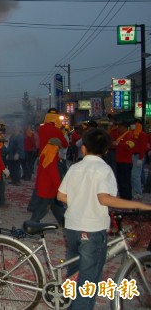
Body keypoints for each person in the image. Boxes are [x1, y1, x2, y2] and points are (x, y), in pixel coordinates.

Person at [57, 128, 151, 310]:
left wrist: (81, 200)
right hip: (91, 229)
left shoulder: (75, 167)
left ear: (83, 148)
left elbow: (61, 196)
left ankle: (69, 306)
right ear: (106, 150)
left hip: (72, 227)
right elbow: (104, 198)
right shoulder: (103, 169)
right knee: (88, 281)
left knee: (75, 273)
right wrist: (138, 205)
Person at [29, 138, 64, 225]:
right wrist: (60, 188)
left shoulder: (44, 155)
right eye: (58, 148)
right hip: (49, 188)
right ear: (55, 147)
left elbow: (39, 172)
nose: (59, 150)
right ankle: (32, 222)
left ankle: (63, 222)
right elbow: (54, 175)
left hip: (43, 186)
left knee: (55, 206)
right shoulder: (51, 158)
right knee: (43, 207)